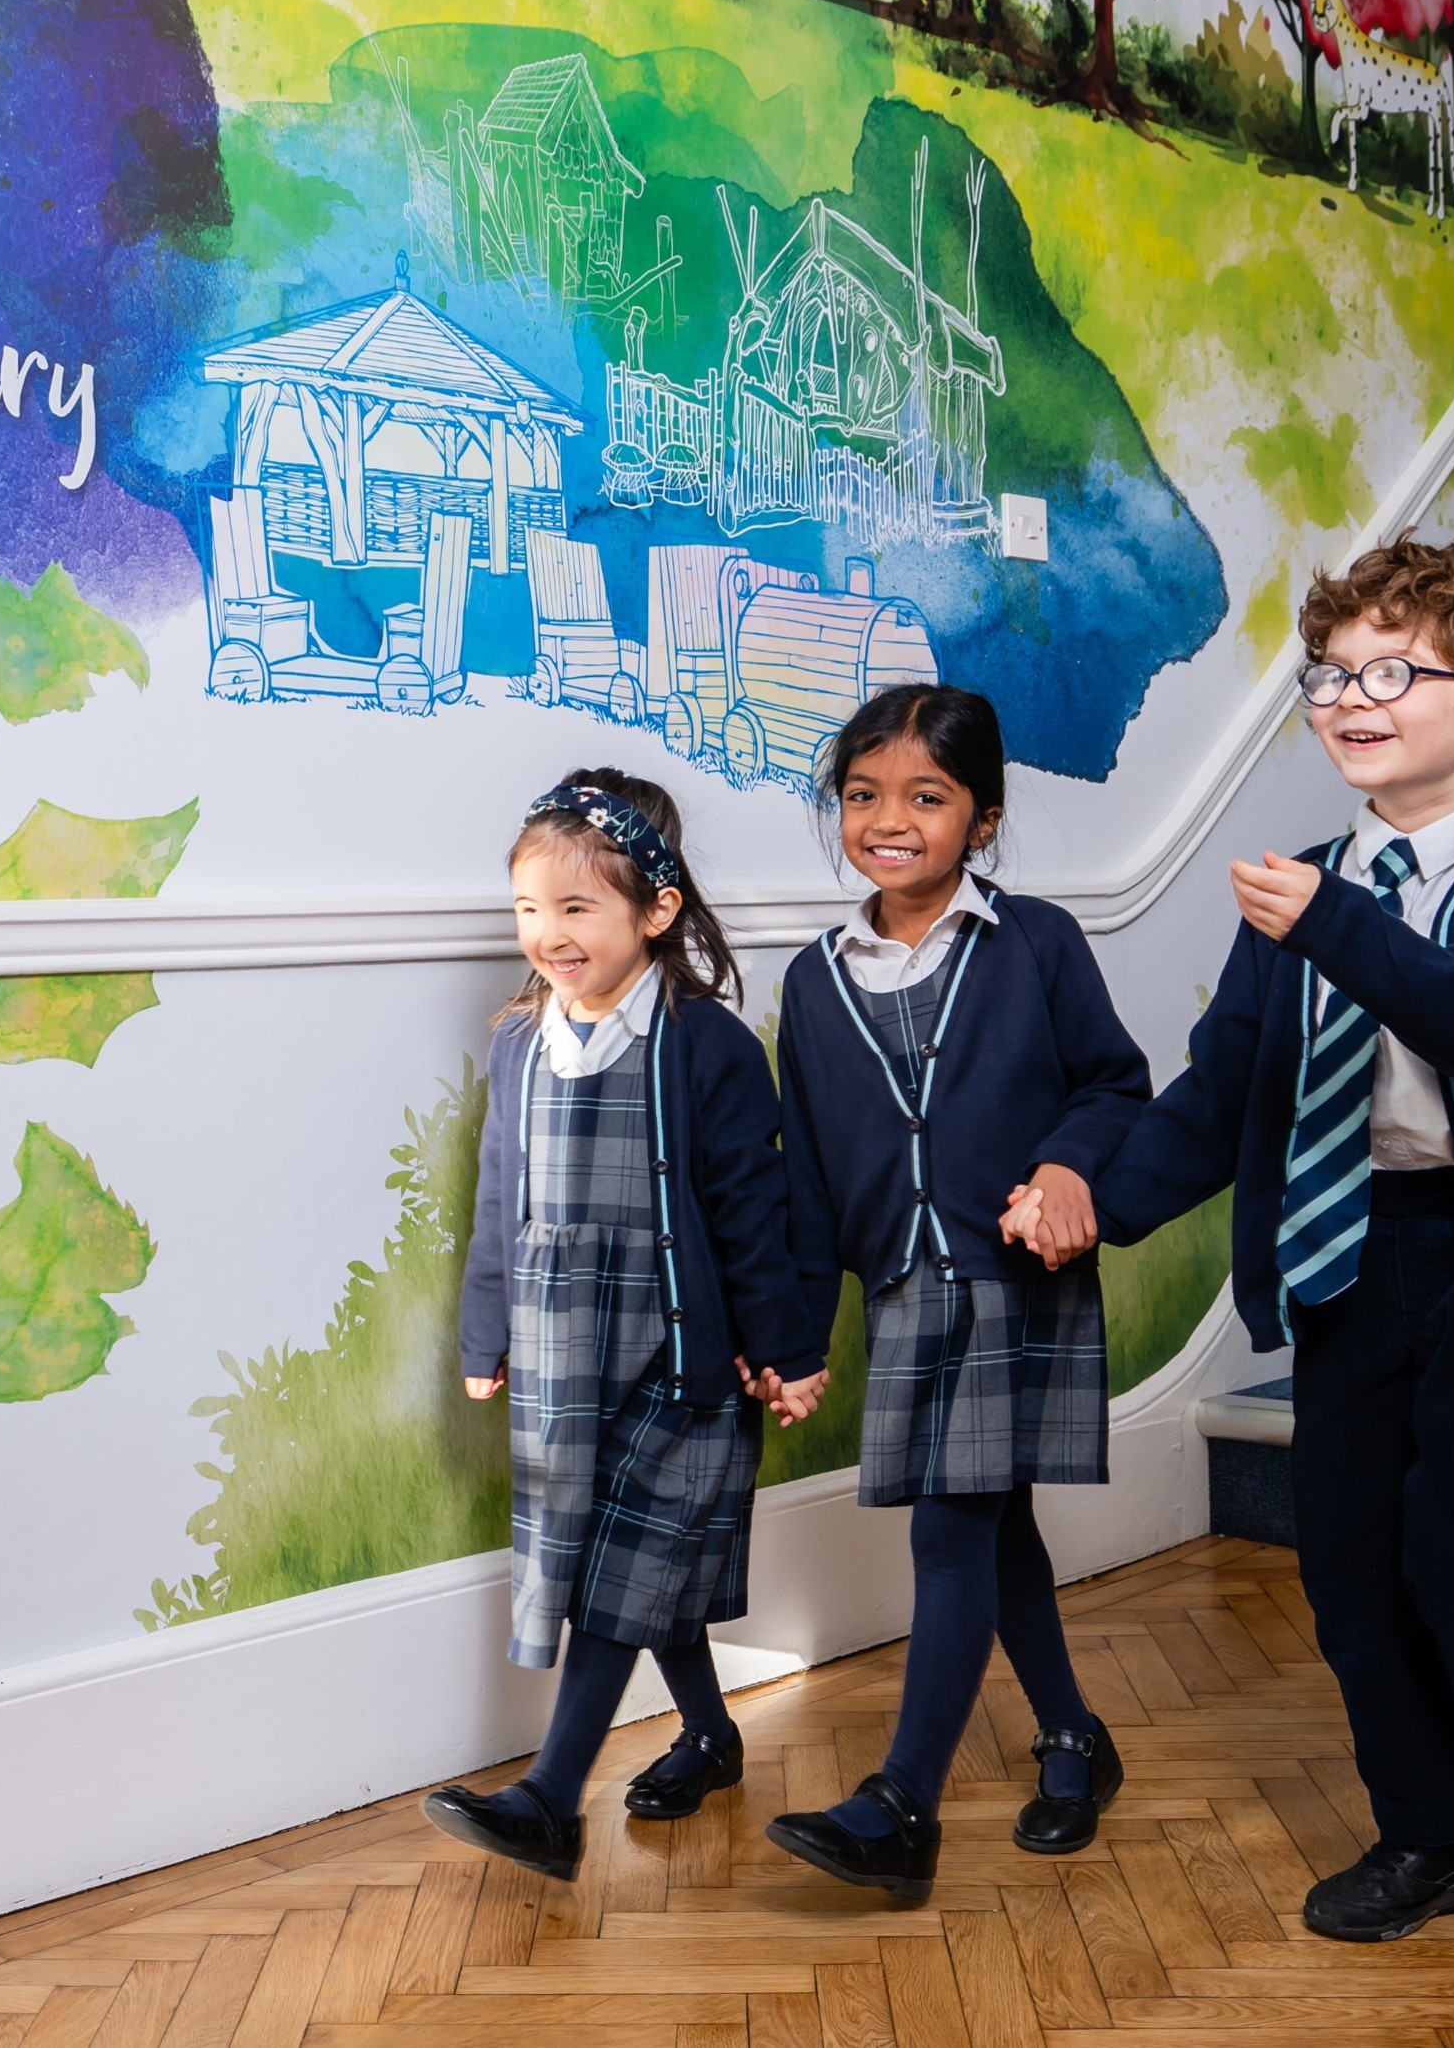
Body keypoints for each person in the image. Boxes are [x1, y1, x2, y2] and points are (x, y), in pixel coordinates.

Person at [1009, 537, 1454, 1946]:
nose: (1351, 693)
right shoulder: (1304, 889)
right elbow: (1224, 1090)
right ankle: (1437, 1830)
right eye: (1333, 672)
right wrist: (1097, 1202)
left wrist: (1339, 922)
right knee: (1354, 1574)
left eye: (1393, 669)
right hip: (1351, 1255)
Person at [759, 686, 1155, 1902]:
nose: (891, 819)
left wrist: (1061, 1164)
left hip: (1010, 1281)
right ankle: (1076, 1738)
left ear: (980, 820)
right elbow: (809, 1177)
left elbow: (1115, 1085)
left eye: (925, 797)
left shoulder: (1035, 943)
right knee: (994, 1528)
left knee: (950, 1529)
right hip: (902, 1294)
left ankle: (900, 1806)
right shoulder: (814, 983)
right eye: (863, 795)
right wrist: (791, 1334)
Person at [428, 769, 831, 1881]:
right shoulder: (522, 1040)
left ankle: (551, 1795)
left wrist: (787, 1350)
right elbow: (495, 1196)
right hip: (562, 1346)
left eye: (574, 909)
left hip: (676, 1349)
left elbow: (755, 1209)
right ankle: (707, 1732)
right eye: (529, 909)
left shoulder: (703, 1044)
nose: (547, 935)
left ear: (653, 911)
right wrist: (483, 1333)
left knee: (621, 1568)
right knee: (636, 1564)